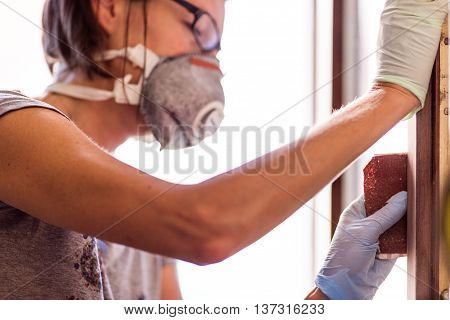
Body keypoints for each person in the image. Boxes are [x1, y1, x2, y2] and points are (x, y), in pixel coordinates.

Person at [0, 0, 447, 300]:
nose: (210, 64)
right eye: (199, 29)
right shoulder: (8, 124)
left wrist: (331, 295)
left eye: (217, 46)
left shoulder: (143, 239)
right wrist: (390, 95)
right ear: (111, 9)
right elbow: (205, 227)